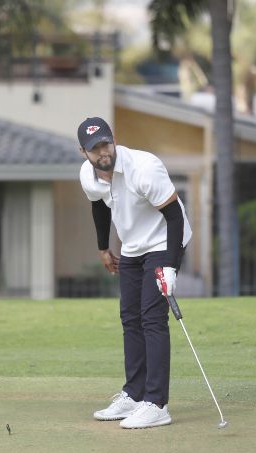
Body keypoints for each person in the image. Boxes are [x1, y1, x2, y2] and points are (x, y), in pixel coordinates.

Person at [76, 116, 192, 429]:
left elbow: (175, 217)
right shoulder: (89, 174)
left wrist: (170, 266)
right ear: (83, 152)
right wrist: (103, 248)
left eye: (105, 143)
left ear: (112, 139)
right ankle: (135, 393)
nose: (102, 151)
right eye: (94, 148)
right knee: (130, 317)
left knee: (152, 318)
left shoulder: (144, 167)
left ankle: (156, 404)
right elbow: (99, 205)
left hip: (163, 241)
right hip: (132, 248)